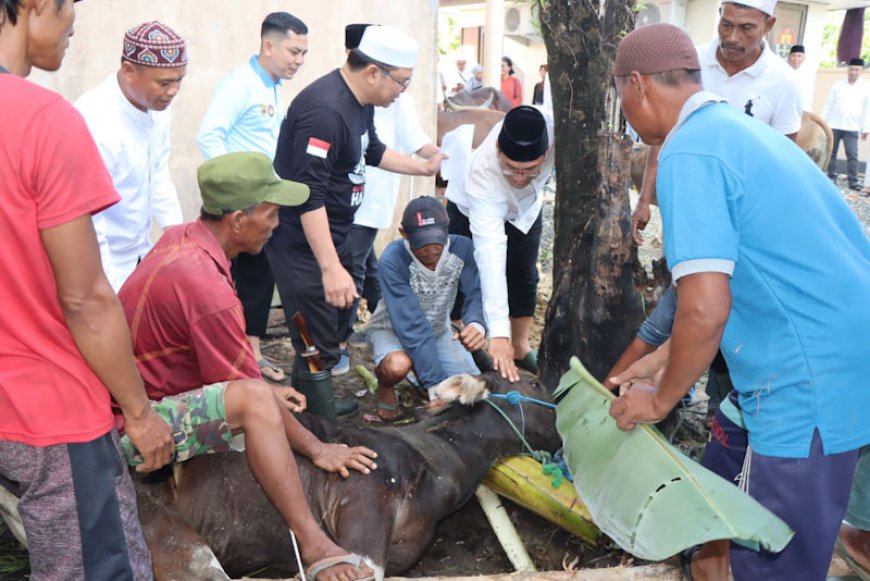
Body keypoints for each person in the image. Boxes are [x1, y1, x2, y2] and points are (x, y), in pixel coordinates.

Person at [609, 23, 870, 581]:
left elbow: (705, 310)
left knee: (772, 563)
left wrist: (658, 403)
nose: (627, 119)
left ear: (637, 86)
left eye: (621, 102)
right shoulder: (735, 131)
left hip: (805, 379)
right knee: (710, 519)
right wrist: (654, 364)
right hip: (815, 353)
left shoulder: (689, 152)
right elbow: (728, 285)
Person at [118, 151, 379, 581]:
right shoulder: (206, 289)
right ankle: (315, 547)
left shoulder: (184, 239)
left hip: (140, 393)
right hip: (131, 427)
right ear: (237, 220)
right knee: (258, 401)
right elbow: (248, 393)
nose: (277, 224)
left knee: (262, 393)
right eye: (272, 214)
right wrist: (317, 448)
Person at [0, 1, 174, 578]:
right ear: (31, 7)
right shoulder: (41, 118)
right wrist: (140, 412)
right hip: (44, 400)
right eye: (69, 16)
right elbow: (85, 298)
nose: (73, 31)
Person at [266, 25, 444, 416]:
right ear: (373, 72)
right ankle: (318, 419)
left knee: (332, 321)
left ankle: (308, 406)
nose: (403, 91)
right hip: (301, 240)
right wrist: (330, 267)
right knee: (315, 332)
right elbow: (308, 195)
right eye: (402, 81)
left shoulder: (359, 103)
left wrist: (422, 165)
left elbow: (372, 150)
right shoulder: (325, 111)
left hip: (336, 230)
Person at [197, 12, 309, 382]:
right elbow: (209, 136)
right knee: (238, 279)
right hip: (241, 206)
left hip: (264, 199)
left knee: (260, 277)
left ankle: (252, 354)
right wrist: (237, 187)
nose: (299, 60)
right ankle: (238, 358)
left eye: (303, 53)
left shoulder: (272, 85)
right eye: (294, 51)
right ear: (268, 45)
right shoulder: (240, 85)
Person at [631, 0, 803, 239]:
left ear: (769, 25)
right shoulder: (691, 63)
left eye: (746, 28)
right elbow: (664, 136)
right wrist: (643, 200)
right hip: (685, 202)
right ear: (719, 15)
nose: (732, 37)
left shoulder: (784, 82)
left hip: (744, 212)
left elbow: (785, 161)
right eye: (726, 25)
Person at [344, 23, 440, 365]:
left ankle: (363, 329)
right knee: (360, 265)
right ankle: (344, 338)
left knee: (357, 263)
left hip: (372, 196)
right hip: (350, 199)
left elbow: (415, 141)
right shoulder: (344, 99)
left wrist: (439, 157)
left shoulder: (396, 98)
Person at [75, 21, 187, 291]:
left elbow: (158, 172)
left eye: (179, 80)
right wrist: (109, 288)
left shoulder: (158, 106)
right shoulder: (95, 120)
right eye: (164, 82)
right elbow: (90, 217)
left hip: (142, 251)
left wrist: (178, 237)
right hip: (103, 261)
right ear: (129, 71)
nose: (173, 91)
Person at [445, 105, 554, 382]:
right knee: (464, 273)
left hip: (527, 208)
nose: (519, 177)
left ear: (546, 153)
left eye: (529, 170)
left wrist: (507, 337)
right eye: (511, 169)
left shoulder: (557, 131)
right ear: (497, 149)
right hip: (470, 206)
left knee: (524, 271)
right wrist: (497, 331)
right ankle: (459, 342)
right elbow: (491, 254)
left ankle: (519, 345)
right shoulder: (482, 173)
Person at [365, 197, 485, 421]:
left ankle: (421, 374)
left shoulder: (464, 249)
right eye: (421, 243)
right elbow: (412, 326)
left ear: (447, 228)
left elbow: (475, 293)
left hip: (438, 329)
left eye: (437, 241)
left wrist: (477, 324)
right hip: (391, 330)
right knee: (397, 366)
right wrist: (435, 386)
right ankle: (386, 386)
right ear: (404, 234)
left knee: (472, 387)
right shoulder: (393, 259)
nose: (431, 250)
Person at [822, 58, 869, 192]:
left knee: (852, 154)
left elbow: (867, 109)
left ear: (861, 71)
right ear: (848, 70)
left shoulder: (865, 88)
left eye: (856, 70)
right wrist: (823, 122)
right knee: (831, 152)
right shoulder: (837, 86)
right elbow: (828, 105)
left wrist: (866, 128)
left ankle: (853, 181)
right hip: (834, 124)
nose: (853, 72)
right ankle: (831, 177)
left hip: (852, 127)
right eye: (851, 69)